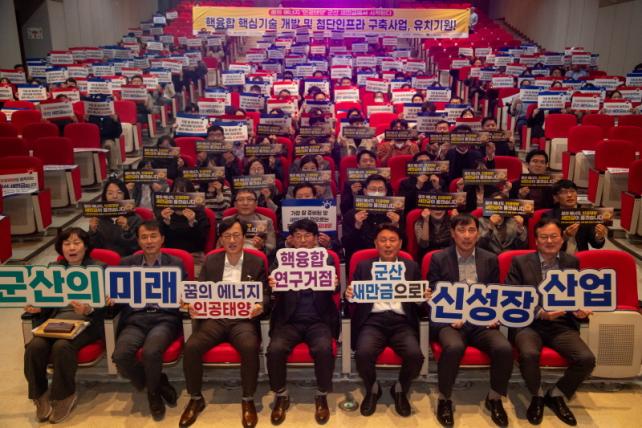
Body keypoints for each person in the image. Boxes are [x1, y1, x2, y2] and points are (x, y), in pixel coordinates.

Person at [179, 218, 269, 428]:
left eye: (236, 235)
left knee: (249, 346)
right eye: (227, 236)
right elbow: (200, 290)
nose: (232, 240)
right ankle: (196, 398)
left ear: (244, 237)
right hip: (215, 319)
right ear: (220, 239)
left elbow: (265, 293)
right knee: (191, 347)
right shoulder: (211, 261)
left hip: (243, 319)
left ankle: (248, 399)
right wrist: (191, 304)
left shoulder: (256, 261)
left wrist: (260, 305)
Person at [505, 217, 595, 426]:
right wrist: (540, 313)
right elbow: (512, 296)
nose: (549, 241)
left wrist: (579, 310)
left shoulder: (571, 262)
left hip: (560, 325)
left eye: (554, 236)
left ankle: (557, 394)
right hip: (529, 323)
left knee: (586, 359)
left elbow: (576, 295)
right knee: (529, 354)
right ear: (536, 241)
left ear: (562, 239)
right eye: (544, 237)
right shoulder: (520, 262)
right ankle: (536, 395)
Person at [428, 214, 513, 427]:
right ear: (452, 233)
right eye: (461, 230)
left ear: (478, 233)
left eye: (471, 230)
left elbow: (494, 293)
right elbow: (435, 293)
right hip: (451, 321)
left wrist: (494, 316)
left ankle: (494, 397)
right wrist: (451, 315)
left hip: (480, 321)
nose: (467, 236)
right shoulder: (438, 258)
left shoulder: (490, 258)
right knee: (453, 346)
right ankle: (445, 398)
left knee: (503, 348)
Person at [23, 228, 105, 424]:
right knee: (34, 347)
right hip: (56, 322)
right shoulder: (53, 269)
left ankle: (64, 396)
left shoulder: (99, 268)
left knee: (62, 346)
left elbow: (110, 304)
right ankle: (40, 395)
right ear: (61, 248)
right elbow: (46, 301)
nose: (72, 248)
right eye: (67, 244)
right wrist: (38, 308)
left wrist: (89, 309)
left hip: (87, 322)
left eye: (77, 243)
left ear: (86, 246)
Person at [345, 224, 428, 417]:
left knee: (415, 356)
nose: (388, 245)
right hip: (373, 320)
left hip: (402, 321)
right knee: (363, 353)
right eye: (383, 240)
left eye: (392, 240)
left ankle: (400, 388)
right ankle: (372, 388)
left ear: (400, 244)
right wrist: (349, 294)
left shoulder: (411, 267)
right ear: (376, 244)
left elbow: (418, 303)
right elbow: (352, 297)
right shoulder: (364, 266)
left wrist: (422, 297)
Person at [111, 220, 187, 421]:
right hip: (135, 318)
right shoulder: (126, 264)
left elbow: (186, 293)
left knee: (151, 352)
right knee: (120, 356)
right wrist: (112, 297)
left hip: (164, 319)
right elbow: (118, 296)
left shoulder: (176, 263)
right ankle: (157, 381)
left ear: (162, 239)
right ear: (138, 241)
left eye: (153, 236)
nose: (149, 241)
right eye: (144, 237)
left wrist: (185, 299)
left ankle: (153, 394)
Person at [266, 219, 339, 425]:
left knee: (324, 348)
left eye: (308, 236)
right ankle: (281, 394)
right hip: (289, 320)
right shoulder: (282, 258)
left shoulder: (326, 258)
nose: (303, 240)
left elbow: (336, 289)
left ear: (316, 239)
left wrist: (335, 284)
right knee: (275, 349)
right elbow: (270, 285)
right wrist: (272, 283)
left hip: (319, 319)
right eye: (298, 236)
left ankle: (321, 394)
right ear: (291, 239)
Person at [342, 174, 402, 264]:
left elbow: (404, 244)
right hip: (361, 263)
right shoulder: (351, 215)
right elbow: (346, 245)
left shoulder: (395, 214)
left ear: (386, 191)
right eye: (373, 189)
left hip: (389, 261)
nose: (377, 192)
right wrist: (357, 226)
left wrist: (396, 225)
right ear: (365, 191)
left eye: (380, 189)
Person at [544, 180, 607, 253]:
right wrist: (565, 236)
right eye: (564, 192)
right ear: (556, 198)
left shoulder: (585, 214)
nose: (569, 195)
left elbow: (596, 244)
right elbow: (548, 244)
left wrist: (599, 237)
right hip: (558, 257)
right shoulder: (549, 216)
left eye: (572, 191)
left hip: (580, 257)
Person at [88, 178, 142, 257]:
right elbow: (94, 248)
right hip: (104, 260)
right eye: (110, 193)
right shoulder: (98, 219)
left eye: (119, 192)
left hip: (128, 261)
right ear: (105, 196)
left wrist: (126, 230)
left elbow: (137, 247)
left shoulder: (135, 219)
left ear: (125, 194)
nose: (115, 196)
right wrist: (93, 232)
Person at [158, 178, 209, 255]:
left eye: (183, 193)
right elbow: (161, 240)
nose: (179, 197)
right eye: (175, 193)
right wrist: (167, 223)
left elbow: (201, 242)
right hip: (170, 254)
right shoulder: (165, 212)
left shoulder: (199, 213)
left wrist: (192, 223)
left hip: (194, 254)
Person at [224, 189, 277, 255]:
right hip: (232, 255)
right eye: (240, 200)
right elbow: (220, 245)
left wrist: (262, 247)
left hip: (257, 256)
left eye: (249, 199)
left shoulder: (267, 221)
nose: (245, 203)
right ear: (235, 205)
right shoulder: (226, 221)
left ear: (256, 204)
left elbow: (271, 247)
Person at [340, 149, 377, 215]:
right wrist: (353, 194)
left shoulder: (384, 181)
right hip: (357, 216)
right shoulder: (350, 183)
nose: (368, 163)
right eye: (364, 161)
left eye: (371, 161)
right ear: (358, 165)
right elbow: (344, 210)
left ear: (375, 164)